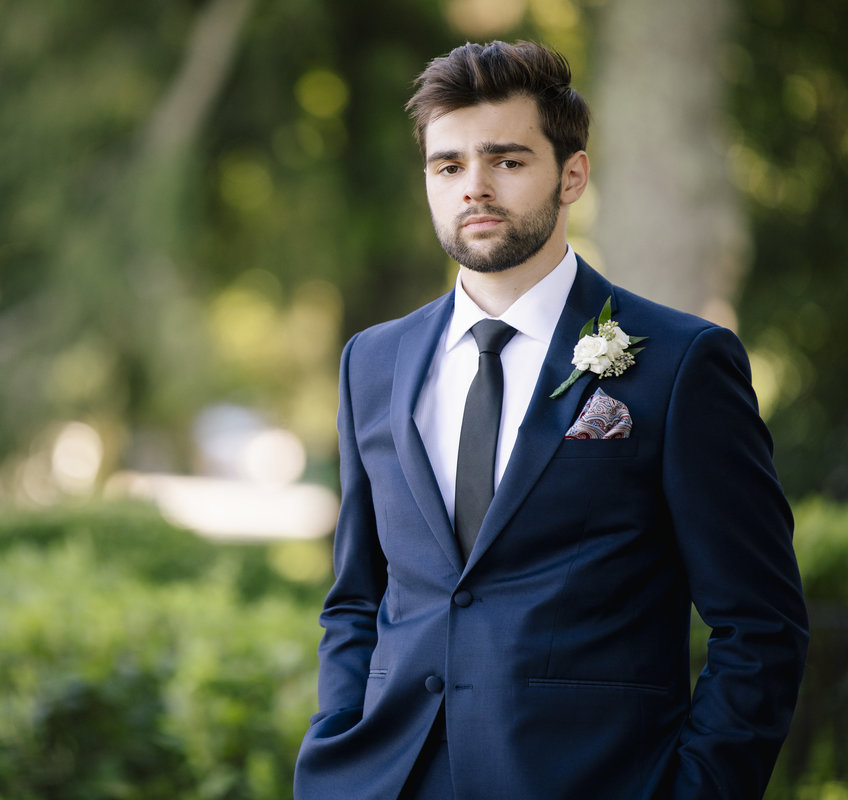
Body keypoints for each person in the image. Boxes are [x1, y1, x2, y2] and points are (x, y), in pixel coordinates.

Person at [292, 40, 808, 800]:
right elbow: (357, 598)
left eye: (507, 160)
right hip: (384, 782)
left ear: (572, 175)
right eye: (448, 166)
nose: (474, 187)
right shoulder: (371, 363)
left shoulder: (679, 362)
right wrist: (335, 748)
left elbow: (760, 626)